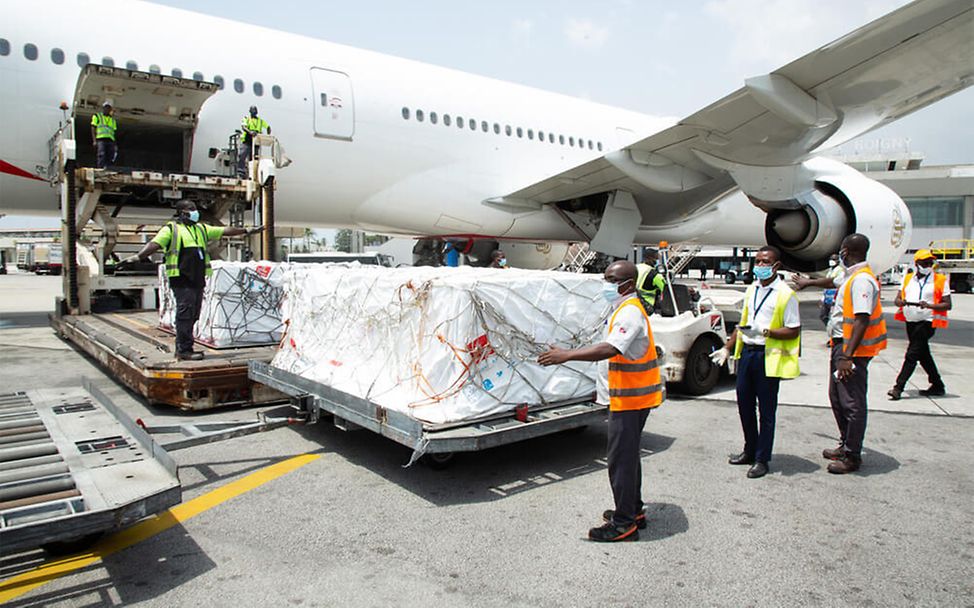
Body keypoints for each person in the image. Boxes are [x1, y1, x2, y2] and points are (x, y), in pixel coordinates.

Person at [538, 260, 663, 542]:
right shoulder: (624, 307)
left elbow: (610, 348)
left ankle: (624, 524)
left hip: (630, 399)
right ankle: (633, 509)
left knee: (620, 460)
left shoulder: (630, 312)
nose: (605, 284)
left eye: (610, 279)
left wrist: (566, 355)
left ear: (627, 284)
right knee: (629, 457)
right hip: (630, 396)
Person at [121, 200, 261, 360]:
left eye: (195, 209)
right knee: (185, 313)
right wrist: (138, 257)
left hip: (197, 277)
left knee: (194, 314)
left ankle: (186, 346)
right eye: (191, 209)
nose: (196, 212)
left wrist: (246, 230)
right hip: (181, 278)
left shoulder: (200, 229)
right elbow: (155, 244)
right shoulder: (171, 229)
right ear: (182, 212)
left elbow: (223, 231)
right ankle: (183, 350)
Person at [710, 246, 801, 478]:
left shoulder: (785, 294)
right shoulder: (752, 289)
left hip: (767, 356)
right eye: (757, 261)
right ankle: (749, 450)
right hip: (747, 354)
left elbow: (793, 330)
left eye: (765, 262)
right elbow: (742, 323)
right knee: (745, 406)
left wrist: (767, 331)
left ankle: (762, 458)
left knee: (766, 411)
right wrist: (727, 348)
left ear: (776, 266)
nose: (759, 266)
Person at [823, 233, 887, 474]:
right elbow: (833, 284)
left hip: (852, 349)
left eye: (841, 250)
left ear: (846, 251)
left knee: (852, 402)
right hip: (843, 345)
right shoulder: (852, 277)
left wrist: (847, 356)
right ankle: (845, 443)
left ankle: (852, 456)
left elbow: (861, 319)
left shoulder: (862, 281)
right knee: (837, 398)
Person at [888, 249, 951, 400]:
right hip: (911, 320)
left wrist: (929, 306)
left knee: (912, 354)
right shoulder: (908, 278)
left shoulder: (940, 279)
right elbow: (897, 299)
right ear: (917, 264)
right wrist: (900, 302)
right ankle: (937, 385)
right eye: (925, 263)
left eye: (931, 262)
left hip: (927, 321)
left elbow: (947, 304)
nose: (928, 265)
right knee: (923, 354)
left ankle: (898, 387)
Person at [238, 105, 270, 177]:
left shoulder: (260, 121)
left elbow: (268, 127)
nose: (254, 112)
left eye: (255, 111)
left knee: (254, 159)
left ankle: (253, 174)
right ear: (250, 112)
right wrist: (250, 132)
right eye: (253, 111)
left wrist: (268, 133)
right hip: (247, 140)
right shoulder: (247, 119)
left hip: (256, 141)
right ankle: (241, 171)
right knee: (242, 155)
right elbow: (244, 127)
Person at [91, 100, 118, 169]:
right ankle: (100, 168)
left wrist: (115, 144)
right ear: (103, 108)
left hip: (110, 140)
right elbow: (93, 127)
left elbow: (114, 132)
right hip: (101, 139)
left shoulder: (112, 120)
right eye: (106, 107)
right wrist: (94, 140)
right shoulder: (97, 116)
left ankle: (108, 168)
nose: (107, 109)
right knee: (101, 154)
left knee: (110, 155)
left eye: (109, 108)